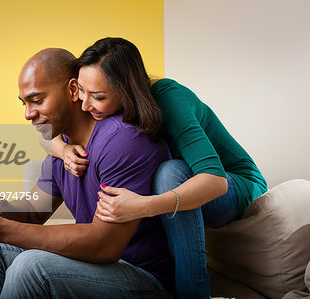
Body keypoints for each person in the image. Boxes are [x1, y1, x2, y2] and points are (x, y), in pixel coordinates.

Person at [0, 48, 176, 298]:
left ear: (73, 90)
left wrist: (2, 228)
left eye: (37, 100)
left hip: (144, 279)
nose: (28, 114)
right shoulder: (62, 148)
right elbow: (34, 213)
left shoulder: (122, 141)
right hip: (100, 268)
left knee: (32, 267)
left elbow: (105, 244)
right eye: (25, 103)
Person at [50, 37, 268, 298]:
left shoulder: (169, 101)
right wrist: (63, 150)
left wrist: (144, 205)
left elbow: (215, 180)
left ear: (127, 90)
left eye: (98, 97)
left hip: (239, 185)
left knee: (170, 173)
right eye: (81, 92)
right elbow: (47, 132)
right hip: (190, 185)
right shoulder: (100, 106)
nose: (85, 105)